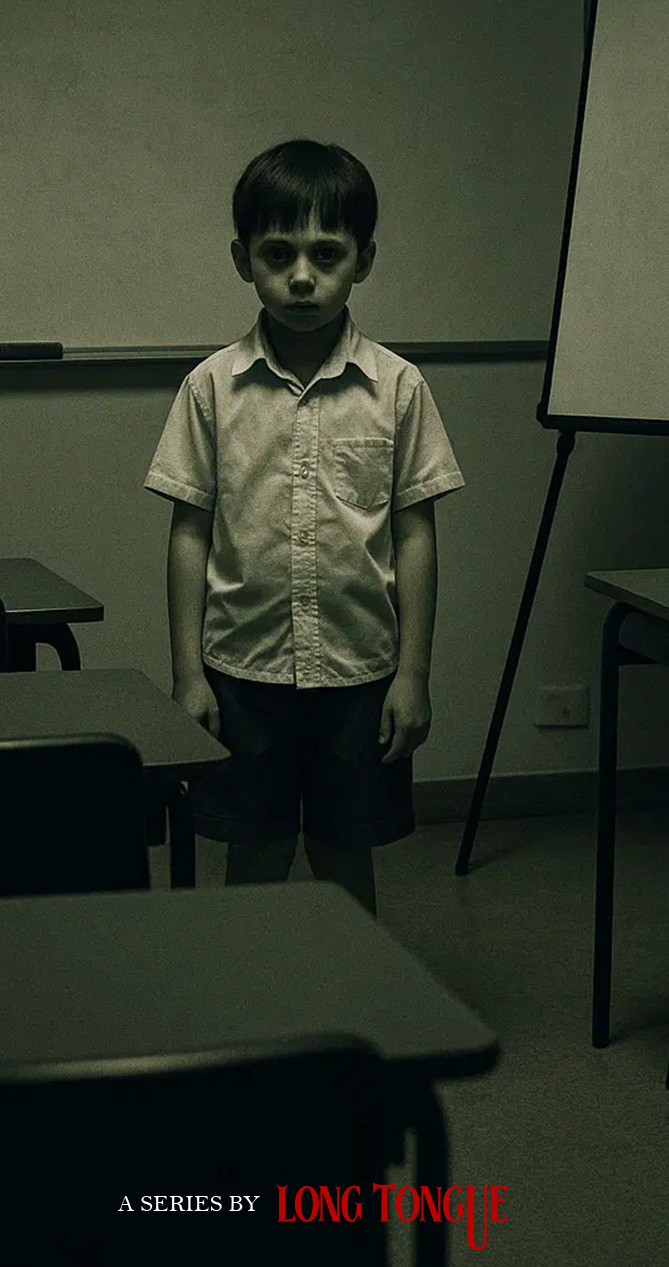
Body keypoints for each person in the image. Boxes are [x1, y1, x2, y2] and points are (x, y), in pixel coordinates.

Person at [144, 137, 464, 915]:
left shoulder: (399, 388)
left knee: (344, 855)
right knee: (253, 850)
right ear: (242, 259)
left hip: (360, 675)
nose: (300, 276)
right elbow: (189, 533)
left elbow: (415, 535)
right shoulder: (211, 387)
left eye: (326, 254)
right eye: (277, 253)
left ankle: (354, 982)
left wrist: (413, 675)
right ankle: (247, 986)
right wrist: (188, 675)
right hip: (241, 672)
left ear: (364, 260)